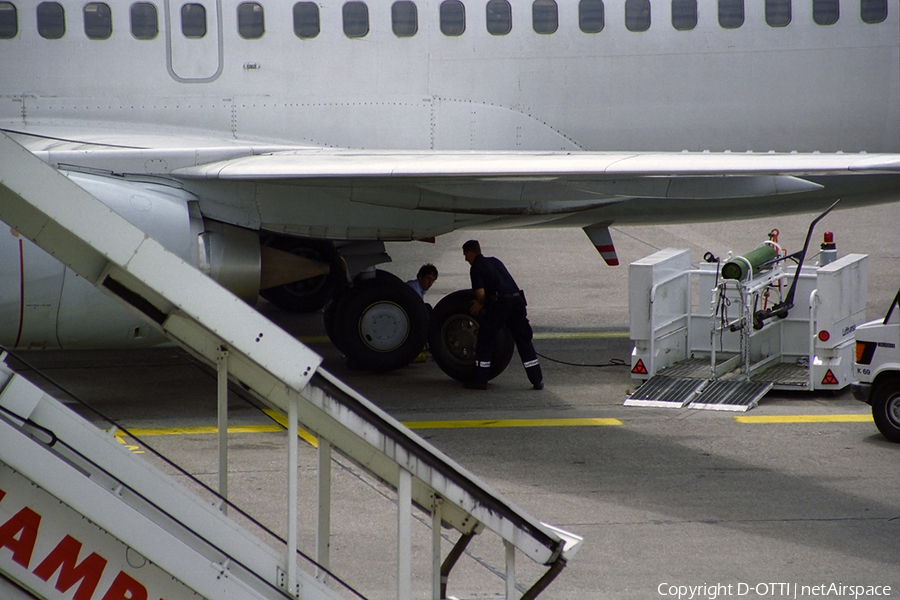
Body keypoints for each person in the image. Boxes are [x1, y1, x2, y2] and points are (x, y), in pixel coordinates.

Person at [462, 240, 543, 390]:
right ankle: (537, 380)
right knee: (523, 339)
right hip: (517, 302)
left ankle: (480, 381)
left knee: (485, 338)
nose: (465, 259)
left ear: (470, 253)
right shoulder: (495, 261)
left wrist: (481, 302)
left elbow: (480, 294)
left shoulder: (476, 267)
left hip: (502, 304)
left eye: (465, 255)